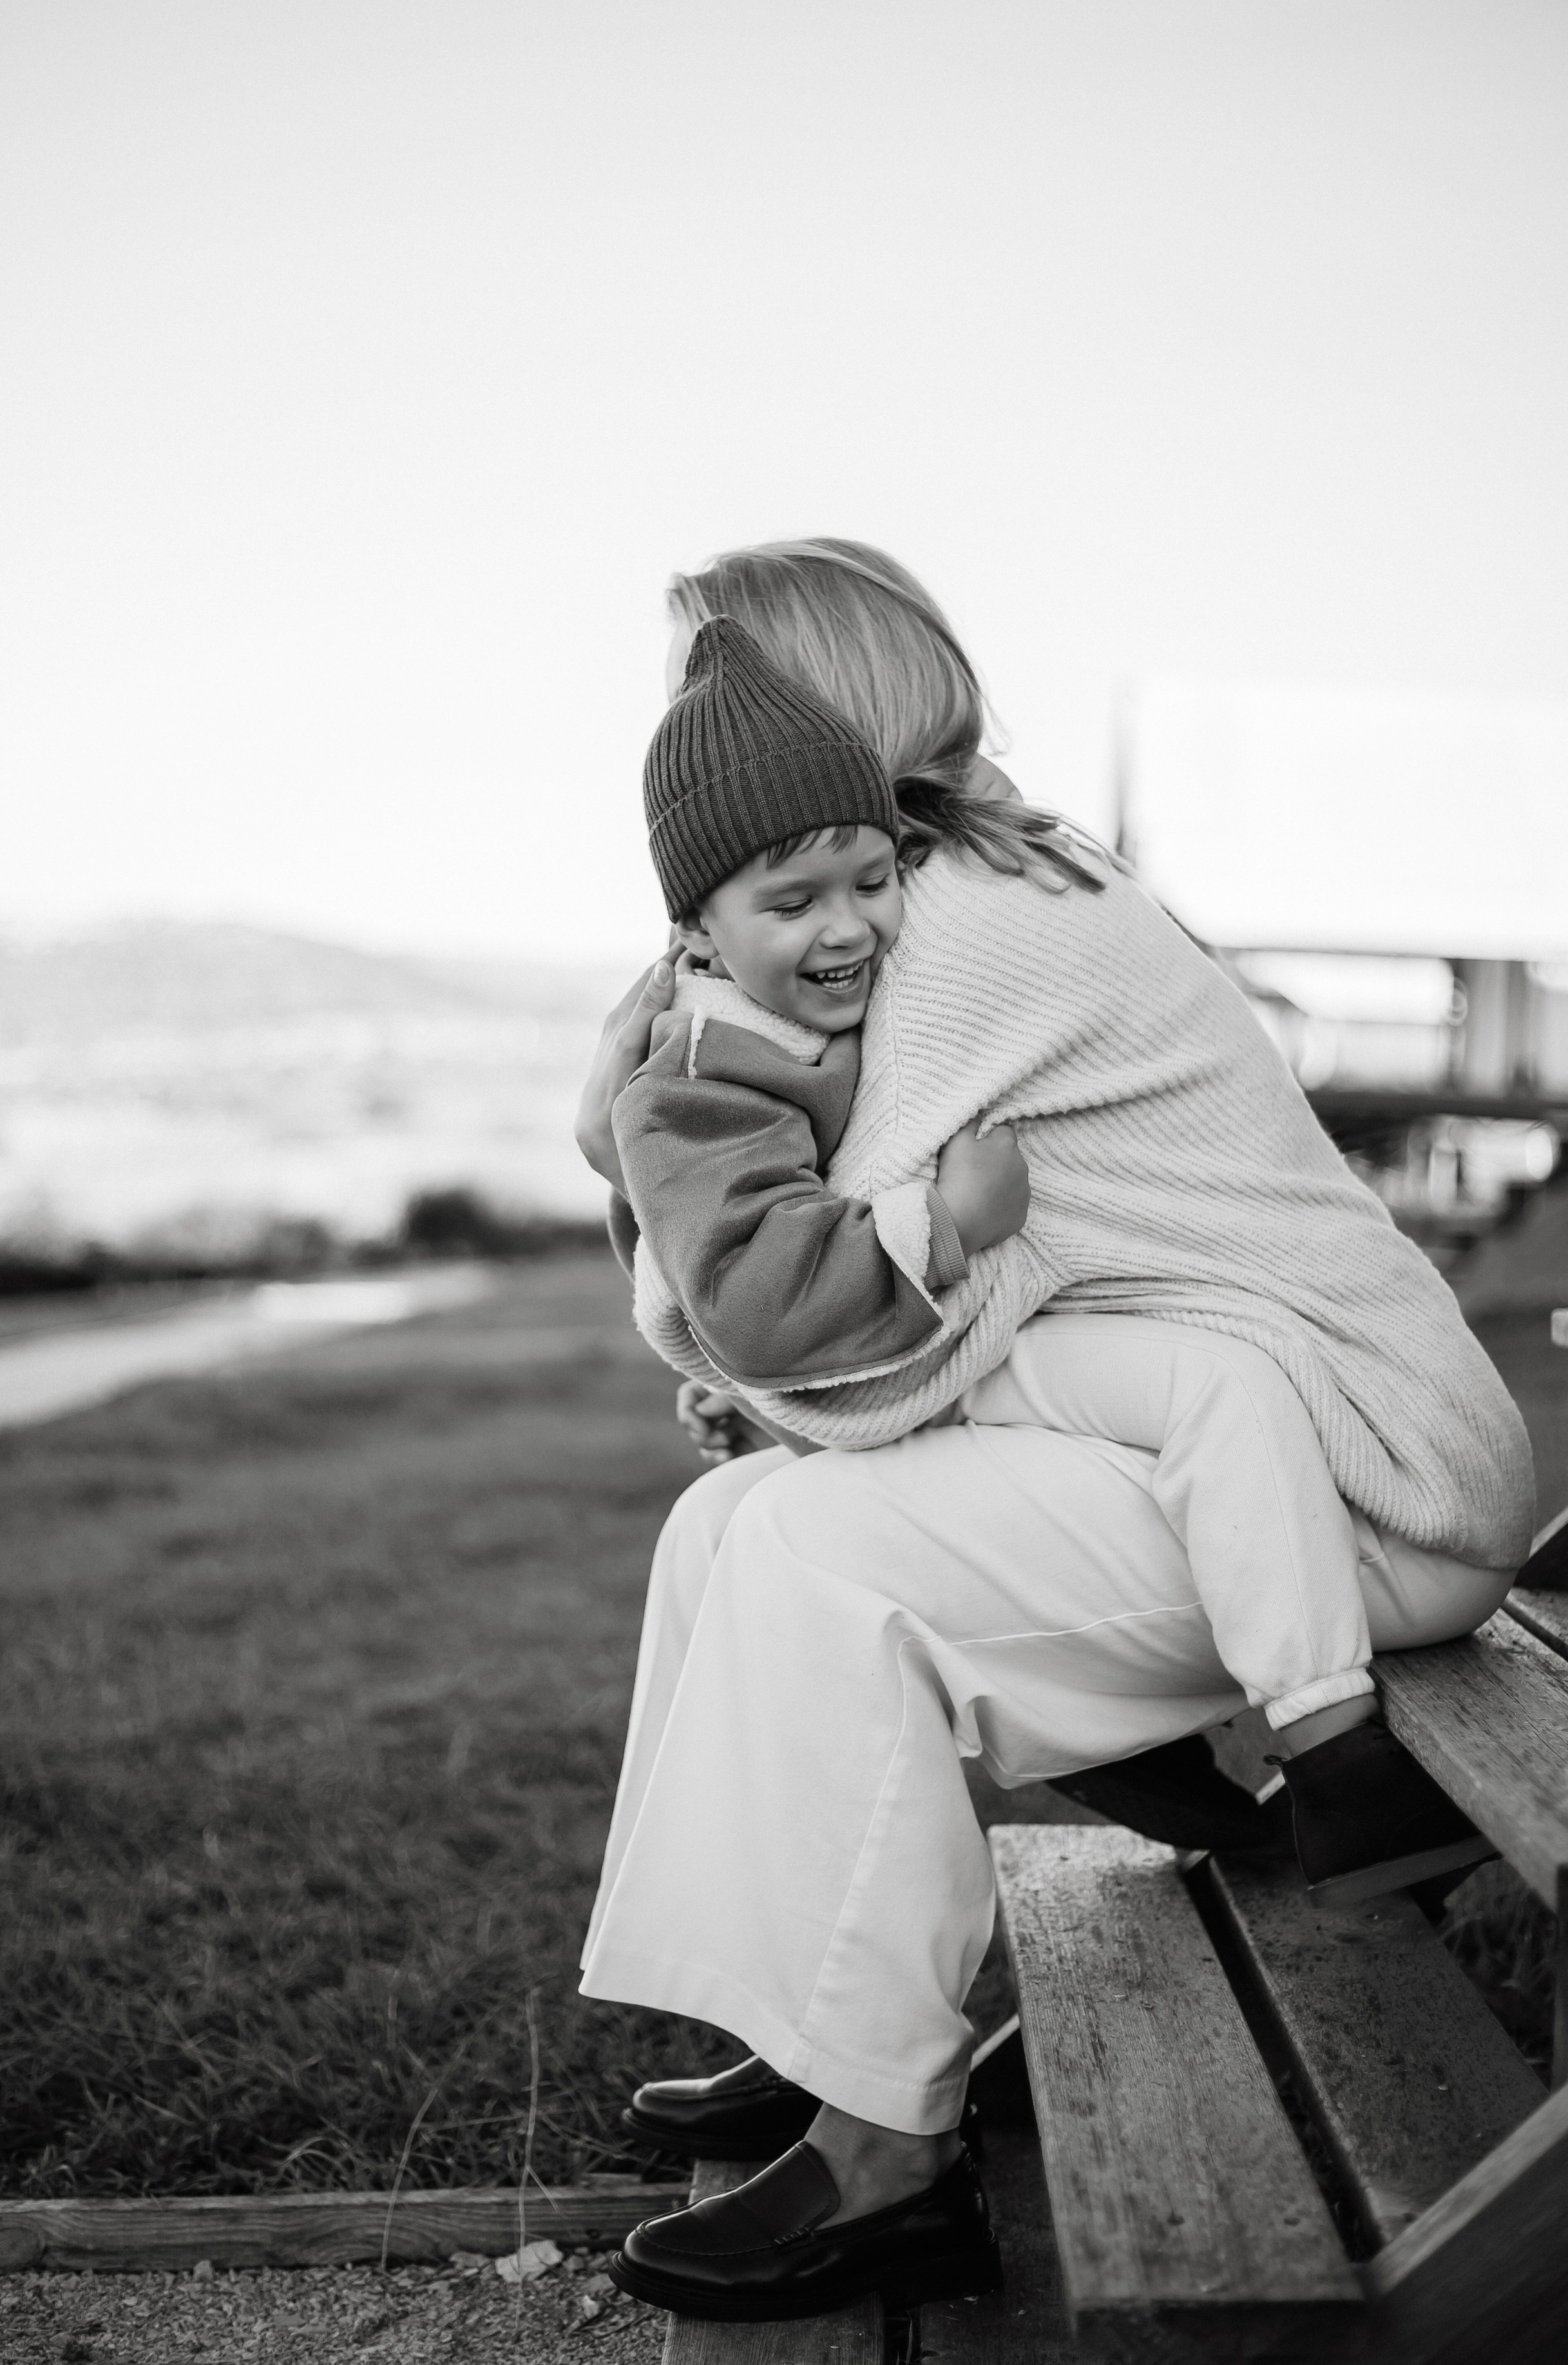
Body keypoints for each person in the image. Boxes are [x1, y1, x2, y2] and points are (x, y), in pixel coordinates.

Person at [573, 541, 1536, 2323]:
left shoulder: (949, 938)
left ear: (819, 705)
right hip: (1256, 1439)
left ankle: (884, 2158)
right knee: (720, 1535)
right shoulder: (969, 870)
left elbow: (817, 1353)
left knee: (800, 1547)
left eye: (729, 681)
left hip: (1350, 1489)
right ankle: (819, 2028)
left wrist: (639, 1157)